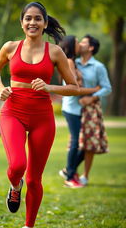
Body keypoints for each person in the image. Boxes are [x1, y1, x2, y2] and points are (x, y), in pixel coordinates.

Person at [0, 1, 81, 228]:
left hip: (42, 117)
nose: (32, 22)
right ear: (22, 24)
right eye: (28, 18)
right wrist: (2, 89)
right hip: (13, 112)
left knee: (34, 178)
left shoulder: (55, 52)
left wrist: (50, 88)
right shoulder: (10, 47)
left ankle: (28, 225)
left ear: (45, 23)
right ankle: (14, 186)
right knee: (18, 166)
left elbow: (73, 87)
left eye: (37, 18)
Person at [60, 34, 112, 187]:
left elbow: (107, 88)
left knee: (86, 143)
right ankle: (70, 174)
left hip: (87, 109)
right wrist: (94, 89)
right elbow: (74, 88)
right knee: (76, 142)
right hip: (72, 107)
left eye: (83, 42)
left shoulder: (98, 67)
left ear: (91, 48)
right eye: (78, 42)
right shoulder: (72, 62)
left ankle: (70, 171)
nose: (81, 44)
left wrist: (93, 96)